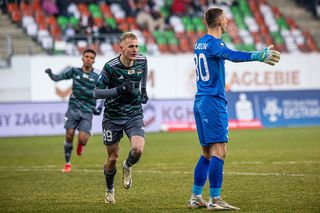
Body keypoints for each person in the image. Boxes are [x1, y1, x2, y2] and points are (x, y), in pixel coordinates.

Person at [188, 8, 280, 211]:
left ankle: (196, 197)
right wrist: (259, 55)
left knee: (207, 153)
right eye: (226, 18)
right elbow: (231, 55)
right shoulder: (214, 43)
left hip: (201, 100)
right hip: (212, 102)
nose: (228, 21)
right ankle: (215, 199)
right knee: (219, 151)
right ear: (220, 20)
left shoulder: (199, 42)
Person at [93, 32, 149, 204]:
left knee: (138, 150)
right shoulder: (110, 67)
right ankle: (110, 189)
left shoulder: (142, 60)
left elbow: (144, 73)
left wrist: (144, 91)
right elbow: (96, 92)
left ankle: (128, 166)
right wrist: (118, 90)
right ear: (122, 48)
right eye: (131, 46)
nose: (135, 50)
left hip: (134, 113)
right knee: (112, 158)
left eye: (136, 46)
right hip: (113, 116)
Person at [45, 49, 103, 173]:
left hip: (87, 110)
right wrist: (50, 74)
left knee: (82, 139)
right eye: (86, 56)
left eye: (91, 57)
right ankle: (67, 163)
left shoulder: (97, 77)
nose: (88, 59)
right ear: (82, 58)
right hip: (73, 108)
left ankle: (81, 144)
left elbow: (103, 92)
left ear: (94, 60)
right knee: (69, 134)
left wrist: (100, 107)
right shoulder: (74, 71)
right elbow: (57, 78)